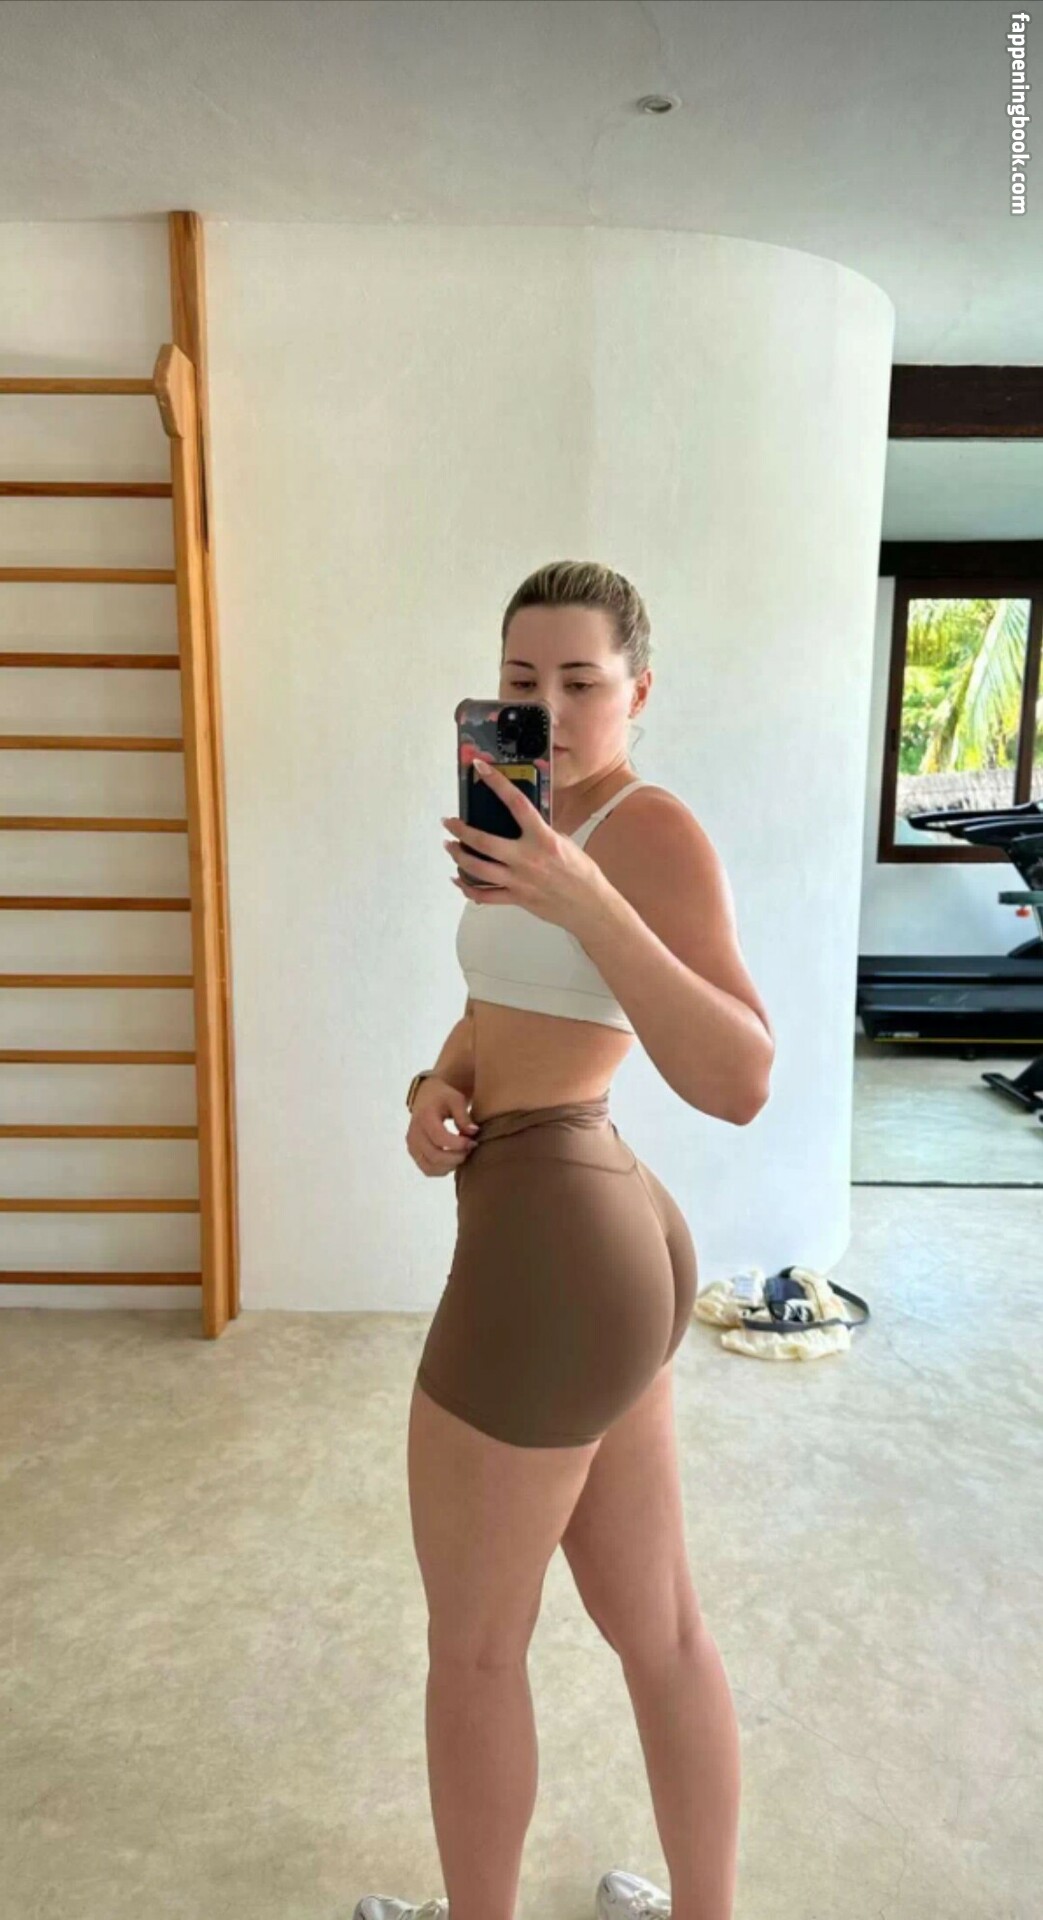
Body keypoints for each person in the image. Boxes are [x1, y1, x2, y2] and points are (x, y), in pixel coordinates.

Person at [355, 560, 775, 1920]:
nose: (550, 705)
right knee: (658, 1628)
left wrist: (580, 890)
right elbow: (508, 1008)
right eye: (521, 679)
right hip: (593, 1236)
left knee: (476, 1649)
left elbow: (742, 1074)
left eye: (582, 682)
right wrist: (438, 1084)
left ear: (638, 693)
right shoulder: (526, 818)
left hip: (557, 1245)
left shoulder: (647, 833)